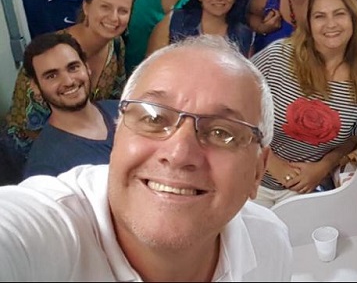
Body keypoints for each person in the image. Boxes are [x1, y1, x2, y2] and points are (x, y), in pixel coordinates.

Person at [0, 35, 292, 280]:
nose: (178, 154)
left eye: (221, 132)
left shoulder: (269, 243)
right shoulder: (55, 222)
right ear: (118, 134)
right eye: (154, 118)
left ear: (257, 171)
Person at [251, 0, 357, 208]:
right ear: (308, 24)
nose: (331, 24)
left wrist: (324, 167)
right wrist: (269, 161)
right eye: (320, 16)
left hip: (306, 189)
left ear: (353, 19)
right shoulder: (278, 56)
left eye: (339, 14)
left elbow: (353, 137)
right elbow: (233, 107)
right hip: (252, 177)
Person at [2, 0, 132, 183]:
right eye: (105, 7)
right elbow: (29, 126)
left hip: (93, 141)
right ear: (86, 7)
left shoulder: (116, 45)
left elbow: (115, 99)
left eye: (123, 11)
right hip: (36, 151)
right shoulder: (48, 55)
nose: (114, 18)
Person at [18, 33, 118, 180]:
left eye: (73, 68)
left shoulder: (125, 110)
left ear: (87, 67)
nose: (68, 81)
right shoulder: (45, 167)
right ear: (35, 87)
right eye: (52, 76)